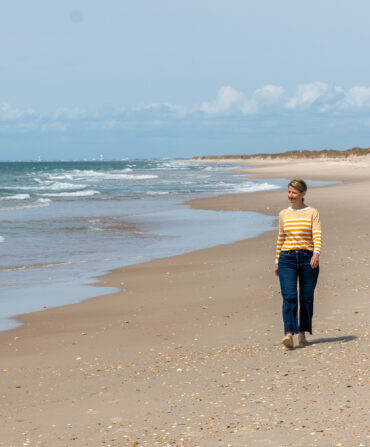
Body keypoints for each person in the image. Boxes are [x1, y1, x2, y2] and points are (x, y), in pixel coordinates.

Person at [274, 179, 322, 349]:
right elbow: (281, 238)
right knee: (289, 296)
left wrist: (316, 253)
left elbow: (317, 234)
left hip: (308, 258)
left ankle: (302, 334)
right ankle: (288, 334)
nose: (290, 196)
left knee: (307, 298)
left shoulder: (312, 212)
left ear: (303, 194)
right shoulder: (283, 214)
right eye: (289, 192)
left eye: (294, 193)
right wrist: (277, 261)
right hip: (286, 258)